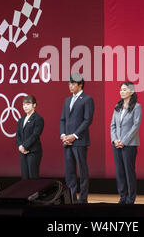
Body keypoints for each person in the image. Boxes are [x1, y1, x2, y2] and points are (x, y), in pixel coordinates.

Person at [60, 73, 95, 203]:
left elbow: (87, 120)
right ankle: (71, 198)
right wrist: (63, 135)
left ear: (80, 85)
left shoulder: (87, 99)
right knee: (69, 172)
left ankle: (83, 198)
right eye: (69, 83)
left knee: (82, 171)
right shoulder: (67, 100)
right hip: (66, 141)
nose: (70, 86)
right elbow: (62, 119)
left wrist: (74, 136)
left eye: (73, 84)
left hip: (79, 141)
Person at [110, 81, 142, 204]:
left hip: (129, 145)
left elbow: (135, 126)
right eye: (121, 90)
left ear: (132, 91)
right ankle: (122, 196)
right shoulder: (117, 106)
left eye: (124, 90)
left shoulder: (137, 107)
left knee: (129, 171)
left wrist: (124, 141)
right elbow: (112, 125)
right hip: (117, 144)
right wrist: (115, 140)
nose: (122, 92)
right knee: (119, 171)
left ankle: (130, 198)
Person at [15, 95, 44, 180]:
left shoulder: (38, 119)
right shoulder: (21, 119)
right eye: (24, 104)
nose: (25, 106)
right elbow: (18, 135)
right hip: (22, 152)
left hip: (33, 152)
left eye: (28, 104)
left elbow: (35, 135)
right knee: (25, 178)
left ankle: (35, 194)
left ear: (34, 105)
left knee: (33, 178)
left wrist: (24, 146)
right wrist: (20, 146)